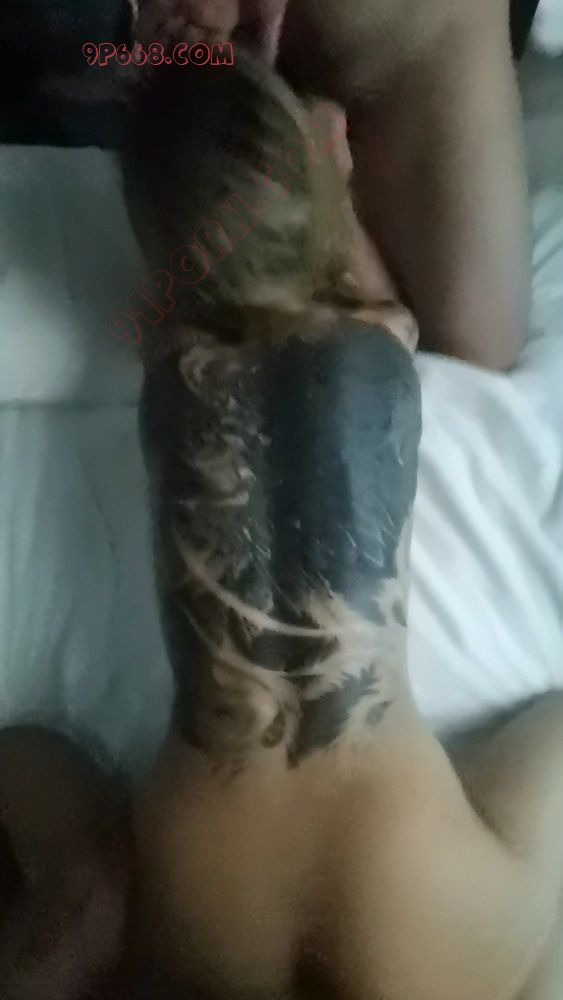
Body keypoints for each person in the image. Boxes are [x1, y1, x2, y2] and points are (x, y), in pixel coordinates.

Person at [125, 54, 563, 1000]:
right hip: (400, 881)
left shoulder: (167, 366)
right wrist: (325, 162)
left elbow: (186, 279)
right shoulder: (381, 344)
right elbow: (357, 281)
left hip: (201, 885)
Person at [137, 0, 530, 371]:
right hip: (252, 54)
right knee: (474, 348)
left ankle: (301, 140)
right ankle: (297, 138)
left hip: (407, 36)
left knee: (475, 346)